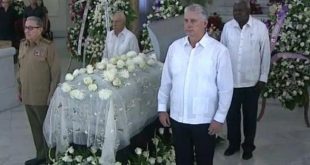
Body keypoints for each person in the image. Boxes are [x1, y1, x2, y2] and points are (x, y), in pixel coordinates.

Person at [157, 4, 233, 165]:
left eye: (193, 21)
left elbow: (225, 89)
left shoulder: (219, 51)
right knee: (182, 161)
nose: (188, 25)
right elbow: (166, 81)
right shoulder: (175, 48)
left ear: (205, 23)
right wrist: (162, 108)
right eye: (186, 21)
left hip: (204, 120)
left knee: (204, 161)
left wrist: (219, 118)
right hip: (178, 118)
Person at [220, 0, 270, 160]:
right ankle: (233, 144)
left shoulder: (260, 28)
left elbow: (266, 54)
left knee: (250, 118)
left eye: (240, 10)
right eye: (235, 11)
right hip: (231, 82)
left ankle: (248, 146)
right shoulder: (228, 27)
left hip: (252, 83)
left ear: (248, 11)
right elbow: (221, 53)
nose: (236, 13)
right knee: (232, 117)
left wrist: (263, 78)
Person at [17, 16, 60, 165]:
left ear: (40, 29)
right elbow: (21, 69)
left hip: (42, 97)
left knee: (46, 130)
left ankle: (51, 159)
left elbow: (55, 73)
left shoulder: (48, 47)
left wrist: (52, 95)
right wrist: (19, 89)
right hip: (27, 95)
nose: (27, 31)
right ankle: (40, 155)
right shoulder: (23, 45)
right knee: (35, 129)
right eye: (26, 27)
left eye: (31, 28)